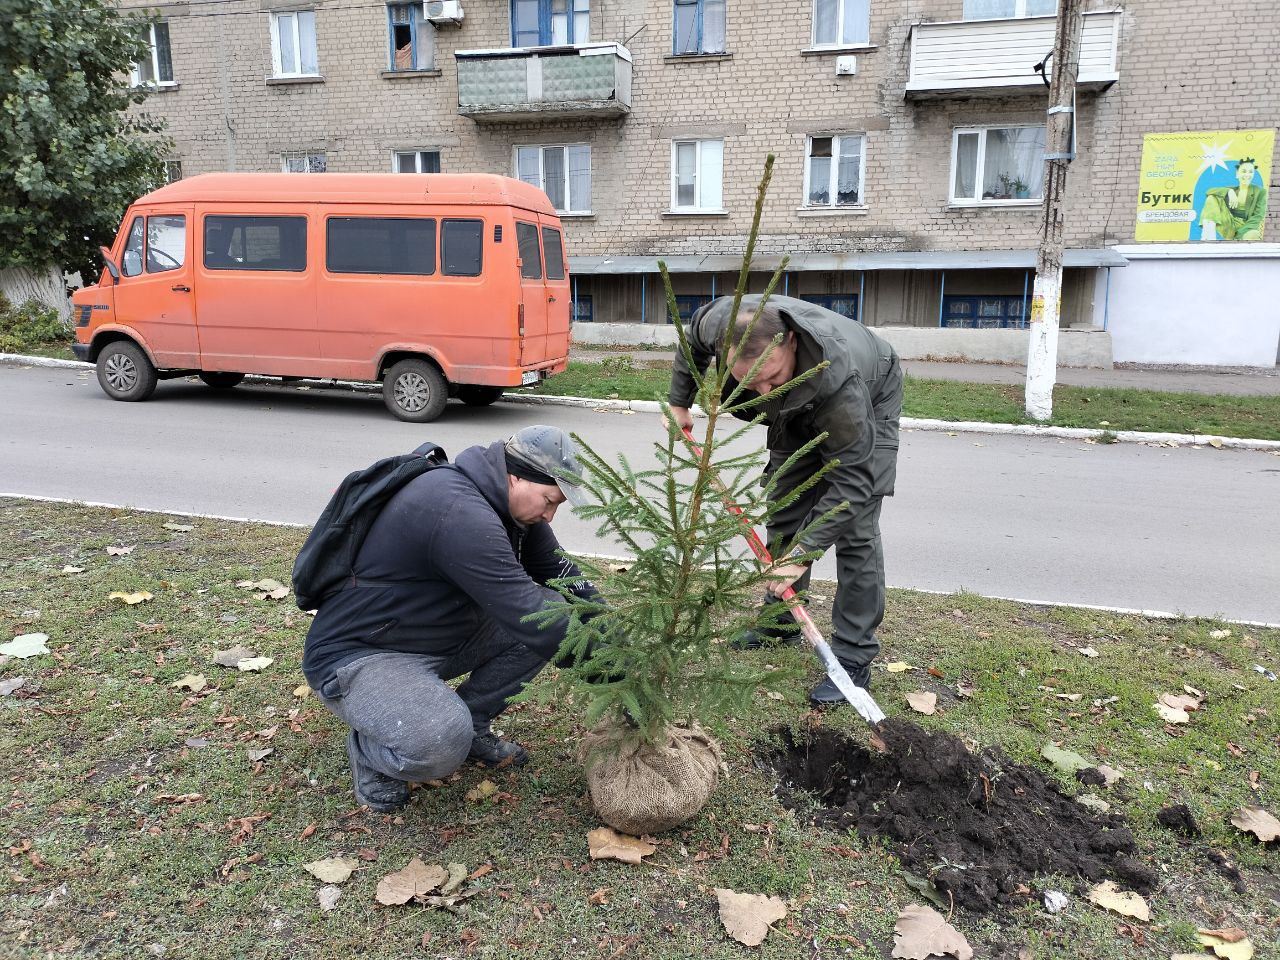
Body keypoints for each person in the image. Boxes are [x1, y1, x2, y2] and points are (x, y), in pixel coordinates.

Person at [302, 425, 593, 812]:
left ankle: (472, 726)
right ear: (516, 476)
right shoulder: (455, 508)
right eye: (548, 500)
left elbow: (563, 575)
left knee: (554, 610)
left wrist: (617, 632)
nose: (549, 515)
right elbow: (526, 613)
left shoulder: (515, 511)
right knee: (438, 742)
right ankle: (372, 752)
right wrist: (611, 666)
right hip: (366, 652)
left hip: (438, 635)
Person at [668, 294, 902, 705]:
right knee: (784, 505)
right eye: (748, 383)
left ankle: (852, 657)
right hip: (801, 404)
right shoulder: (716, 322)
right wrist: (679, 401)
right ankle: (780, 621)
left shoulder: (842, 384)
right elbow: (692, 345)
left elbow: (853, 480)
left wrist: (804, 552)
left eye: (772, 379)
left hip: (872, 389)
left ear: (790, 342)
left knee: (857, 531)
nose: (762, 392)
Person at [1199, 158, 1266, 241]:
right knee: (1212, 197)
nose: (1247, 175)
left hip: (1246, 226)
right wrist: (1229, 191)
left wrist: (1238, 235)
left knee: (1254, 234)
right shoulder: (1232, 190)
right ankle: (1208, 235)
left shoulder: (1260, 192)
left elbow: (1258, 217)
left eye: (1250, 172)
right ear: (1237, 174)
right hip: (1229, 224)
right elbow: (1209, 191)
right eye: (1244, 171)